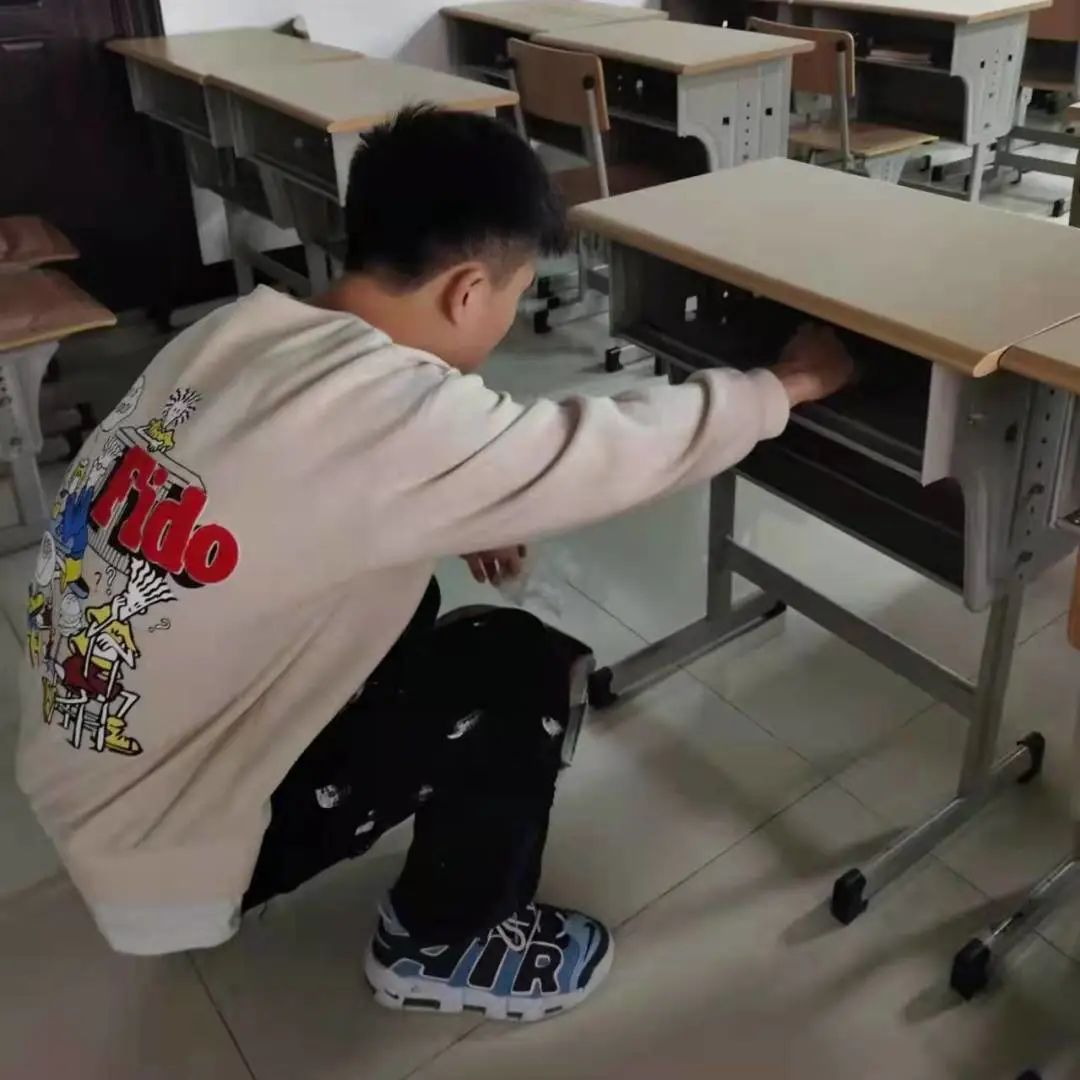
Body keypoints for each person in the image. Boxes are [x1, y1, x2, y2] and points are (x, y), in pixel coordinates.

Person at [16, 106, 852, 1022]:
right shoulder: (387, 415)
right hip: (165, 844)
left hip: (91, 775)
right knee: (517, 670)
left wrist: (451, 505)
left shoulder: (233, 333)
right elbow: (610, 448)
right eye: (511, 295)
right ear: (467, 291)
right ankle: (443, 945)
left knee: (404, 600)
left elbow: (289, 491)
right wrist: (787, 386)